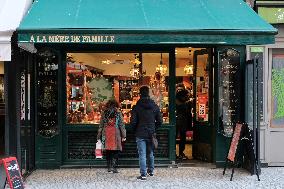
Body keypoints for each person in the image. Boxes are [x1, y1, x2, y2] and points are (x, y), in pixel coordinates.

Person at [130, 86, 162, 180]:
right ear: (148, 93)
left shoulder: (136, 107)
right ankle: (151, 171)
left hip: (140, 133)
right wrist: (153, 128)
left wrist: (135, 130)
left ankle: (143, 174)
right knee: (150, 153)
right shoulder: (155, 106)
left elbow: (133, 122)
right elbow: (160, 121)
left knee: (142, 154)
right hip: (151, 133)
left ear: (140, 94)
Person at [97, 99, 126, 173]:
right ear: (116, 105)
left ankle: (109, 167)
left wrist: (98, 136)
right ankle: (114, 167)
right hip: (115, 133)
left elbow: (101, 125)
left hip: (106, 133)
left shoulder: (104, 113)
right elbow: (121, 125)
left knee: (107, 150)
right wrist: (124, 135)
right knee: (115, 150)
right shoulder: (118, 113)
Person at [176, 83, 192, 160]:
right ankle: (181, 153)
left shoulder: (176, 99)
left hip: (178, 120)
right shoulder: (187, 100)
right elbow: (187, 111)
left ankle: (177, 153)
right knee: (182, 137)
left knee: (177, 137)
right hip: (183, 120)